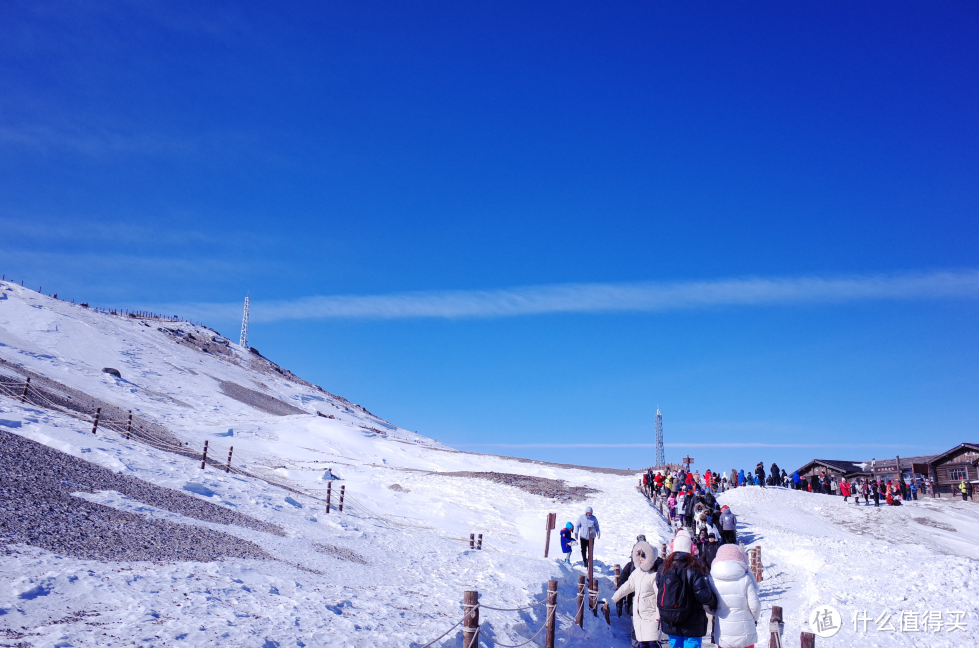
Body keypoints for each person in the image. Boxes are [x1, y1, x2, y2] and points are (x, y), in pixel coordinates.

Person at [657, 529, 717, 648]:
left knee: (675, 645)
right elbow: (703, 594)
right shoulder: (694, 568)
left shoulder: (663, 567)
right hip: (692, 620)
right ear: (690, 549)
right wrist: (714, 602)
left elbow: (659, 587)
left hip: (670, 618)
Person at [709, 544, 761, 648]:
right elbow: (755, 606)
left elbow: (707, 605)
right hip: (745, 631)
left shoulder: (712, 578)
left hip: (723, 632)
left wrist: (718, 612)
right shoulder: (746, 578)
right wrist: (754, 619)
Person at [612, 540, 661, 648]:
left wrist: (658, 615)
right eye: (640, 557)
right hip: (638, 615)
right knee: (642, 643)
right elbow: (627, 585)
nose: (641, 559)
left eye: (644, 557)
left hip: (651, 615)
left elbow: (659, 596)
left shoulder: (655, 574)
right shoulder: (637, 572)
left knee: (652, 643)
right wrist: (616, 597)